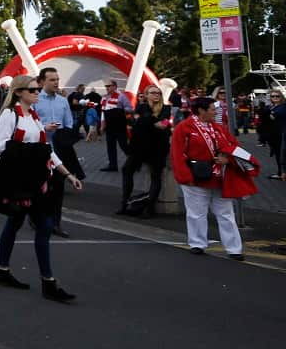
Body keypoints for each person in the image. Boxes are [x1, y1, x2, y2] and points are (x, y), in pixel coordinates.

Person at [0, 74, 83, 302]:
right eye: (33, 90)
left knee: (31, 224)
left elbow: (46, 149)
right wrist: (31, 150)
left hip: (36, 179)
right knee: (31, 223)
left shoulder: (33, 117)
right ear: (20, 92)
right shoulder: (10, 115)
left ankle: (5, 270)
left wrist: (68, 174)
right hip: (18, 180)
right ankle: (46, 282)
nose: (37, 93)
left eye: (37, 90)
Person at [171, 96, 253, 260]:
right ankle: (197, 243)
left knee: (226, 213)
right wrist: (185, 177)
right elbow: (177, 154)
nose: (215, 112)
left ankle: (234, 248)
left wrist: (228, 159)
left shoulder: (218, 128)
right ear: (201, 110)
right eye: (212, 109)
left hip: (219, 177)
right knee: (196, 213)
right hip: (196, 177)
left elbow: (235, 147)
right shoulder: (184, 128)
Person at [33, 68, 77, 237]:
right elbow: (30, 124)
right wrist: (44, 128)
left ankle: (55, 223)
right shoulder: (35, 100)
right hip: (40, 148)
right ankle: (37, 217)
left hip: (58, 148)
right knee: (42, 187)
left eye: (57, 79)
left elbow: (69, 123)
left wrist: (65, 132)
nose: (56, 83)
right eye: (52, 80)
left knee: (58, 187)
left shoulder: (62, 101)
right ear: (42, 81)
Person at [119, 84, 171, 217]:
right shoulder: (140, 107)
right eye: (153, 93)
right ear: (146, 95)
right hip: (139, 146)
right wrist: (153, 121)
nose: (156, 95)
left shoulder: (166, 109)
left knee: (155, 175)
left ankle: (150, 208)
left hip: (157, 147)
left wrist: (145, 120)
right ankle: (124, 203)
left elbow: (164, 125)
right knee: (127, 170)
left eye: (158, 93)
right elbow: (136, 125)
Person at [99, 80, 129, 171]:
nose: (107, 87)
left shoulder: (121, 96)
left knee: (124, 145)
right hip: (109, 126)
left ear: (115, 86)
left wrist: (120, 112)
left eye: (109, 86)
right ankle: (113, 166)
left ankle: (135, 162)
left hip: (119, 125)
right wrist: (102, 125)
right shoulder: (104, 98)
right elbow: (103, 112)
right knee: (110, 146)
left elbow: (129, 108)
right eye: (106, 86)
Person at [269, 90, 286, 180]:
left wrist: (273, 114)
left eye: (277, 96)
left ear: (281, 97)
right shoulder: (272, 107)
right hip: (274, 134)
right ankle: (281, 172)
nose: (275, 98)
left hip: (281, 133)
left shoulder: (283, 106)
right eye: (273, 96)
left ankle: (281, 173)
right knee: (277, 153)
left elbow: (280, 114)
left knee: (281, 154)